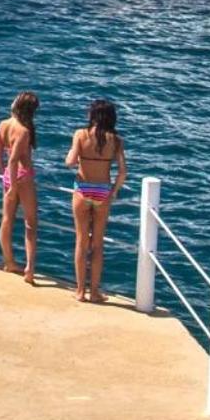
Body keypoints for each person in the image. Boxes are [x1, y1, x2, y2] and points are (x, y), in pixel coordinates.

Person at [65, 99, 126, 302]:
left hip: (83, 190)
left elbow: (70, 162)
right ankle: (95, 292)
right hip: (103, 191)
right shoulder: (116, 140)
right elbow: (123, 172)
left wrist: (77, 156)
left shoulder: (80, 134)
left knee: (81, 242)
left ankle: (80, 291)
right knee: (98, 244)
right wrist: (114, 191)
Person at [0, 91, 41, 281]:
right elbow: (14, 160)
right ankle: (29, 269)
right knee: (30, 224)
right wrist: (14, 187)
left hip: (7, 176)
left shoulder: (3, 125)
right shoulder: (23, 130)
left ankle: (9, 261)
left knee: (7, 220)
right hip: (22, 178)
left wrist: (0, 173)